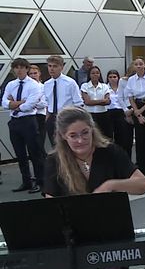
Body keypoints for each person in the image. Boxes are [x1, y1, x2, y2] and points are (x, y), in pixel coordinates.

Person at [43, 106, 145, 269]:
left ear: (92, 130)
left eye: (85, 133)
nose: (80, 140)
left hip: (111, 229)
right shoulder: (55, 160)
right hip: (73, 233)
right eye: (73, 135)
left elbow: (143, 185)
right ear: (62, 136)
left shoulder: (109, 151)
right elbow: (50, 203)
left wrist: (112, 184)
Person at [2, 58, 45, 193]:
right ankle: (26, 181)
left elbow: (29, 105)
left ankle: (40, 181)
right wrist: (19, 103)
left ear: (26, 69)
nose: (18, 70)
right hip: (14, 122)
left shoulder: (34, 85)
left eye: (21, 67)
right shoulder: (11, 84)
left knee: (34, 153)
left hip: (28, 121)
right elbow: (4, 102)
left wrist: (14, 104)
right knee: (20, 154)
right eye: (16, 67)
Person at [44, 55, 84, 146]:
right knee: (54, 145)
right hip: (52, 117)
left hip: (66, 117)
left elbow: (78, 102)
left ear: (61, 67)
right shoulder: (47, 84)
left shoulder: (70, 83)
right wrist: (47, 119)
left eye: (55, 66)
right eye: (50, 66)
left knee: (67, 145)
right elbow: (47, 102)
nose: (51, 69)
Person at [81, 66, 111, 138]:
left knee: (104, 136)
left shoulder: (104, 86)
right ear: (89, 75)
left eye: (97, 73)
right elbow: (87, 102)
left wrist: (94, 102)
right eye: (93, 73)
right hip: (89, 114)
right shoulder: (84, 86)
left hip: (103, 114)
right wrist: (102, 101)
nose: (95, 75)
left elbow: (108, 101)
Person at [28, 64, 48, 158]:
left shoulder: (44, 87)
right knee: (32, 145)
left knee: (39, 143)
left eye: (35, 73)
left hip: (40, 116)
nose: (33, 75)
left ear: (39, 73)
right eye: (30, 74)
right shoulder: (27, 87)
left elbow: (43, 103)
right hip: (29, 117)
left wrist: (29, 103)